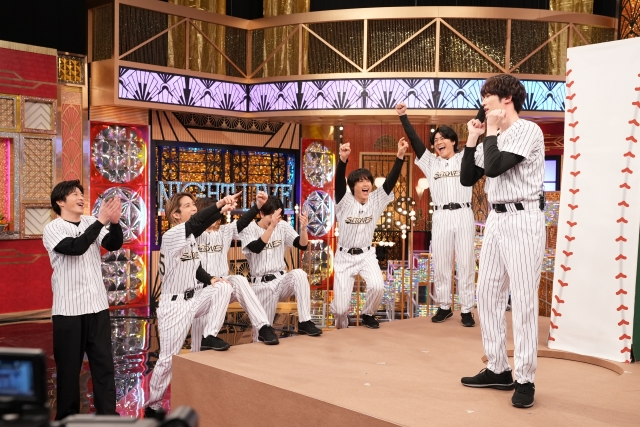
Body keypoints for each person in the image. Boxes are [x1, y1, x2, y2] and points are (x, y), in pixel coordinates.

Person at [460, 74, 545, 409]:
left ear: (506, 98)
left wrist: (491, 132)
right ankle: (498, 368)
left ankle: (525, 378)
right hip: (496, 218)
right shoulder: (492, 136)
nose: (483, 101)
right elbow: (468, 177)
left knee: (522, 300)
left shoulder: (527, 130)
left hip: (524, 217)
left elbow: (495, 168)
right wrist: (473, 138)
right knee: (487, 294)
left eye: (488, 95)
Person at [145, 191, 239, 417]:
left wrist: (210, 279)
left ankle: (209, 336)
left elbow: (195, 268)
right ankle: (152, 405)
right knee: (168, 359)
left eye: (193, 204)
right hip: (174, 304)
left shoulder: (190, 237)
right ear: (176, 215)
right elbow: (197, 223)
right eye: (187, 205)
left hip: (193, 298)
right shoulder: (172, 235)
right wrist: (219, 204)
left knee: (223, 286)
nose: (193, 207)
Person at [43, 179, 123, 420]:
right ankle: (67, 418)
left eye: (81, 193)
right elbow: (75, 247)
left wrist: (115, 223)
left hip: (97, 306)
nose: (80, 197)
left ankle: (108, 415)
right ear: (60, 201)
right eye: (74, 194)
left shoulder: (90, 222)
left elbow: (113, 244)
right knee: (69, 369)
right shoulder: (53, 228)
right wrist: (101, 221)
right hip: (68, 310)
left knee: (103, 365)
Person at [396, 102, 479, 327]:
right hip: (441, 215)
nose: (438, 142)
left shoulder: (465, 158)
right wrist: (404, 116)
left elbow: (477, 127)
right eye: (435, 140)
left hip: (463, 212)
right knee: (441, 262)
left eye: (442, 138)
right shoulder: (431, 163)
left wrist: (483, 110)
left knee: (466, 262)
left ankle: (467, 309)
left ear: (453, 141)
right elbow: (415, 141)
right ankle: (444, 306)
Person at [332, 139, 408, 329]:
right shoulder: (344, 200)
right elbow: (339, 183)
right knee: (340, 310)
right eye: (360, 181)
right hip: (344, 257)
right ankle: (341, 329)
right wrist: (343, 160)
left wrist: (400, 156)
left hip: (366, 255)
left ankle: (367, 313)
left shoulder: (375, 200)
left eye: (368, 180)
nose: (366, 184)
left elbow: (390, 182)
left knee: (377, 286)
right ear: (352, 186)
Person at [190, 191, 279, 348]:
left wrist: (257, 206)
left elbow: (242, 222)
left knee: (238, 279)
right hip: (201, 292)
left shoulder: (224, 231)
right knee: (198, 349)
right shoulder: (192, 234)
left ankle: (263, 326)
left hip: (223, 287)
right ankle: (207, 339)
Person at [238, 196, 322, 337]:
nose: (275, 220)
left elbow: (301, 245)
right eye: (272, 217)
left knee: (299, 274)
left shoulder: (282, 225)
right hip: (262, 285)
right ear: (262, 214)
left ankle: (304, 321)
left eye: (278, 217)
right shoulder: (249, 229)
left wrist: (303, 229)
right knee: (262, 336)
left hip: (281, 280)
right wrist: (271, 227)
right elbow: (256, 248)